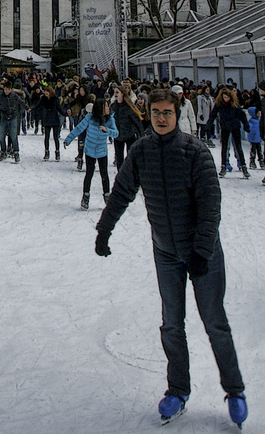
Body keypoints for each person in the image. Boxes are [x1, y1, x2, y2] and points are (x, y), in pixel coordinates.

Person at [95, 90, 247, 428]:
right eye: (156, 112)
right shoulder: (142, 151)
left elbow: (210, 205)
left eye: (168, 112)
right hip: (165, 251)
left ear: (178, 115)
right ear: (148, 114)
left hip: (201, 252)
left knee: (214, 322)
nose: (161, 118)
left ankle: (235, 390)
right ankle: (178, 390)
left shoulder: (195, 151)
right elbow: (121, 192)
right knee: (171, 324)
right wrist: (103, 231)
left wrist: (203, 251)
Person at [65, 98, 118, 210]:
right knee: (89, 173)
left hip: (102, 151)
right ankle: (86, 196)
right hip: (89, 150)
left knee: (104, 174)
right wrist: (68, 139)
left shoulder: (109, 120)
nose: (108, 108)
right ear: (100, 109)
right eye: (106, 106)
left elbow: (116, 133)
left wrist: (107, 131)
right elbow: (79, 128)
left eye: (108, 106)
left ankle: (107, 195)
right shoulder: (89, 118)